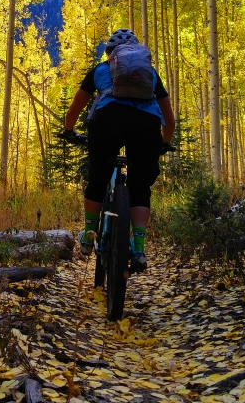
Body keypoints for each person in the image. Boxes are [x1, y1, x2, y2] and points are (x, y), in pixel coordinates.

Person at [61, 28, 175, 272]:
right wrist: (164, 142)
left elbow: (74, 110)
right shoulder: (151, 74)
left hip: (106, 123)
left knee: (98, 178)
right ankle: (141, 249)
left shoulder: (100, 70)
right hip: (146, 125)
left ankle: (89, 236)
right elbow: (169, 118)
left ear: (110, 54)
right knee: (140, 186)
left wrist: (69, 131)